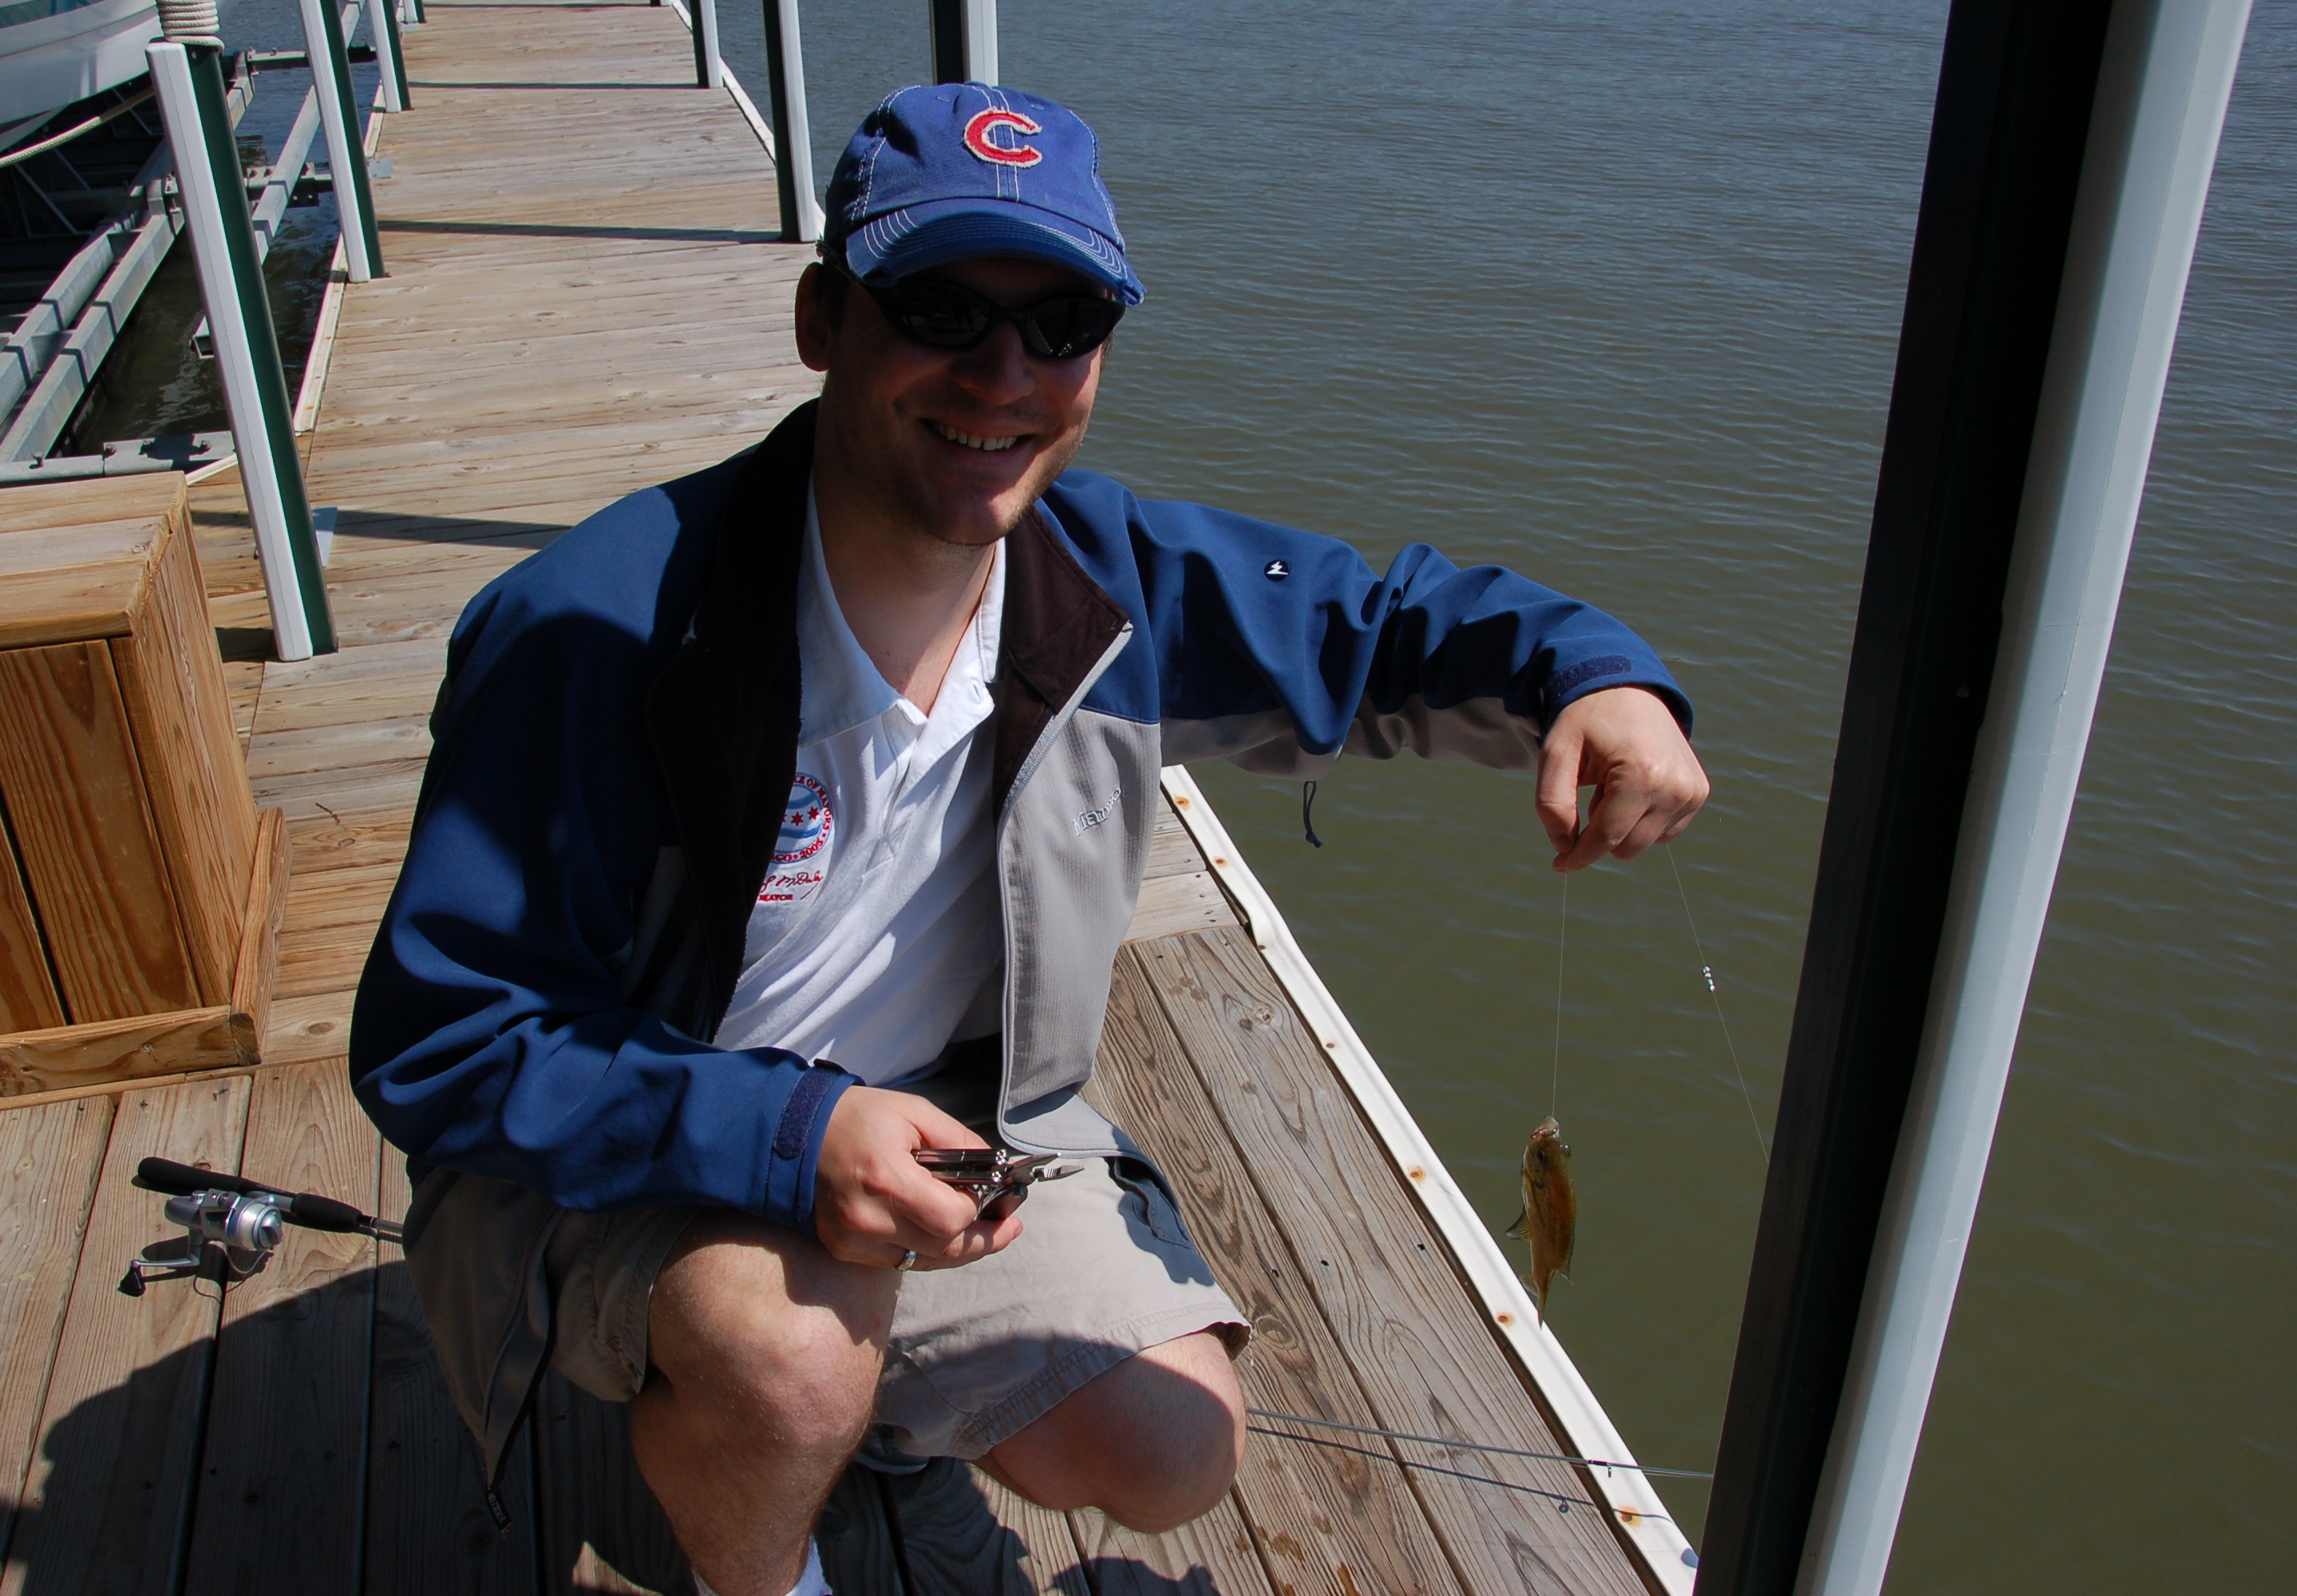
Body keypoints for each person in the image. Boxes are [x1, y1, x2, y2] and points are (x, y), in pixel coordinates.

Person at [350, 83, 1707, 1596]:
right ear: (821, 319)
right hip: (623, 1152)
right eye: (939, 308)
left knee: (1174, 1448)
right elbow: (444, 1040)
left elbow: (1382, 625)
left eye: (1062, 324)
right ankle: (770, 1541)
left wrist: (1597, 679)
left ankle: (872, 1417)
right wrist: (790, 1137)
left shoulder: (1114, 587)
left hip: (940, 1116)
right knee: (790, 1361)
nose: (1002, 375)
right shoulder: (597, 633)